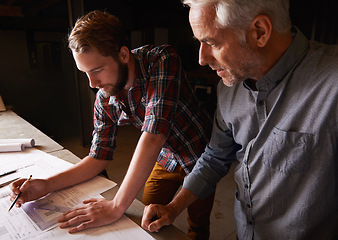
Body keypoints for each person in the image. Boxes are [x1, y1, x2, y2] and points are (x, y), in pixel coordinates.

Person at [9, 10, 214, 239]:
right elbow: (98, 157)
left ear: (123, 54)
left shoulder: (162, 60)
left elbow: (154, 135)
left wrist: (117, 206)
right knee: (147, 216)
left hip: (200, 154)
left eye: (97, 70)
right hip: (164, 157)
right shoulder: (104, 97)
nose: (93, 83)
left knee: (197, 223)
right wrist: (46, 185)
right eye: (85, 73)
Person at [141, 0, 338, 239]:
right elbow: (215, 157)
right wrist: (173, 207)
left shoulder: (332, 83)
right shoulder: (229, 85)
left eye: (211, 42)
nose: (201, 58)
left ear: (260, 32)